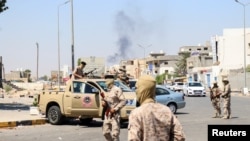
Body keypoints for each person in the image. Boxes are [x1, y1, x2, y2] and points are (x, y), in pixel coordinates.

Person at [128, 75, 186, 141]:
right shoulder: (167, 111)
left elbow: (133, 139)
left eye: (137, 88)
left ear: (142, 90)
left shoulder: (136, 114)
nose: (136, 91)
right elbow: (180, 136)